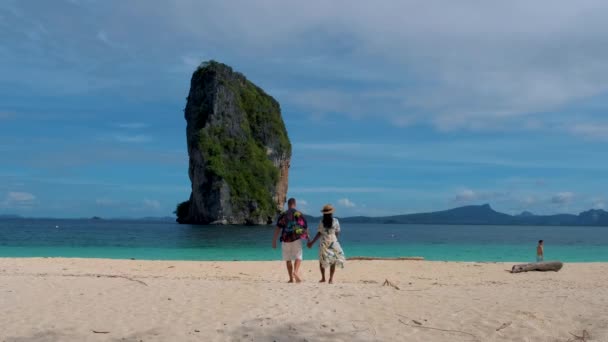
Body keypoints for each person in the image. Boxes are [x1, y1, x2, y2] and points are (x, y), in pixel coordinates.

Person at [307, 204, 346, 284]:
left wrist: (312, 242)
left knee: (322, 260)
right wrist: (335, 240)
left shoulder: (322, 221)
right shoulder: (335, 221)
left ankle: (323, 278)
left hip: (324, 241)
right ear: (331, 213)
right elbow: (337, 232)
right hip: (333, 241)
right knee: (333, 261)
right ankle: (331, 279)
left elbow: (319, 233)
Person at [272, 198, 308, 283]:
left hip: (286, 239)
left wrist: (274, 240)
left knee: (288, 259)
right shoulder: (299, 214)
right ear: (294, 204)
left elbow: (278, 228)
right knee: (298, 257)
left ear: (288, 205)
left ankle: (291, 279)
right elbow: (305, 227)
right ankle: (295, 272)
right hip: (296, 238)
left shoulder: (283, 214)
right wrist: (308, 239)